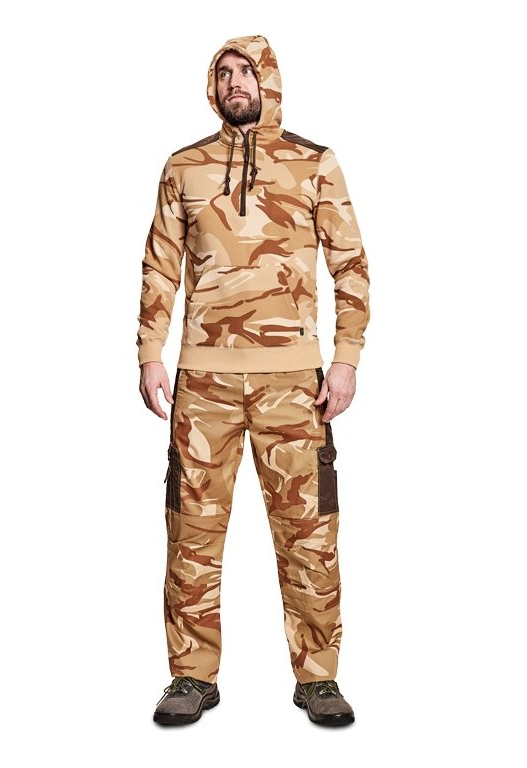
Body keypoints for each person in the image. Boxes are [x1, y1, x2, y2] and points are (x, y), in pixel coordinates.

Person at [136, 34, 370, 727]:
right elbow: (159, 263)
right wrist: (150, 351)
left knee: (309, 533)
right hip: (202, 382)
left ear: (268, 79)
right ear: (213, 88)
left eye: (246, 71)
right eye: (224, 73)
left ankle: (318, 678)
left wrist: (347, 356)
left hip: (294, 383)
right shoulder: (184, 167)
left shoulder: (314, 162)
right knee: (192, 533)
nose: (235, 82)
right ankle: (191, 675)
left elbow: (351, 263)